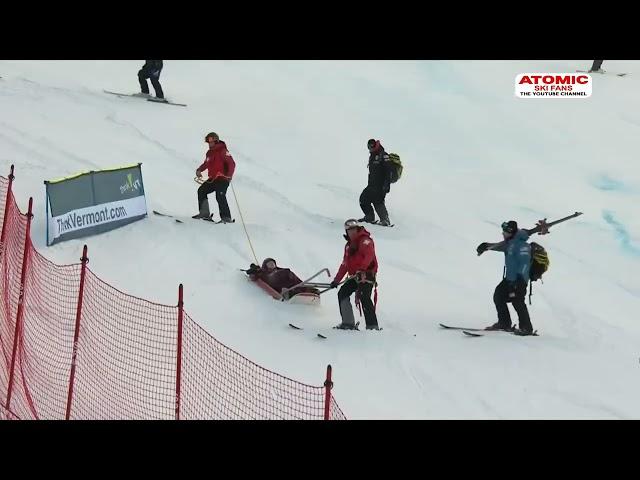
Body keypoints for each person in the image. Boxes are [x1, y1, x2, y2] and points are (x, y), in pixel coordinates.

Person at [476, 219, 549, 336]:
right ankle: (504, 323)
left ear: (510, 232)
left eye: (504, 231)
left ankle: (526, 328)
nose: (502, 233)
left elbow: (524, 263)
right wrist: (486, 246)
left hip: (519, 279)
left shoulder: (522, 246)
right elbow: (500, 246)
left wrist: (519, 280)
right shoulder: (510, 243)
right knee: (499, 295)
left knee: (517, 301)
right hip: (509, 279)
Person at [329, 219, 380, 330]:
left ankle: (372, 326)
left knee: (364, 295)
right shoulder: (348, 246)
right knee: (342, 293)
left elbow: (369, 255)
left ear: (357, 229)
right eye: (349, 230)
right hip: (355, 276)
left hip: (366, 274)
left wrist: (362, 269)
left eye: (353, 229)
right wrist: (336, 280)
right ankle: (348, 323)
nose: (352, 232)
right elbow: (345, 264)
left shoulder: (365, 241)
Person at [194, 132, 236, 222]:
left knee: (220, 195)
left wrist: (229, 175)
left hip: (223, 179)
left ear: (216, 141)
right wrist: (199, 170)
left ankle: (226, 218)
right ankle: (204, 214)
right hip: (213, 179)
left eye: (211, 141)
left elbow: (231, 163)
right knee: (201, 190)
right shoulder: (209, 153)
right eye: (208, 142)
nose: (209, 143)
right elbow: (206, 163)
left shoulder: (222, 150)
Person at [358, 139, 392, 226]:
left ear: (376, 145)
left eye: (372, 146)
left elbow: (388, 171)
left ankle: (385, 220)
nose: (370, 148)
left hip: (381, 185)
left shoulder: (383, 155)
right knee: (363, 199)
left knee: (378, 201)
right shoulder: (373, 155)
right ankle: (369, 216)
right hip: (372, 184)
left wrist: (386, 184)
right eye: (368, 147)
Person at [246, 258, 319, 296]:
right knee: (286, 272)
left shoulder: (278, 270)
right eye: (269, 264)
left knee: (290, 275)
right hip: (272, 281)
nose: (272, 266)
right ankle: (292, 292)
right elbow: (254, 277)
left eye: (273, 264)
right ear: (265, 266)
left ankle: (305, 288)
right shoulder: (263, 272)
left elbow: (286, 273)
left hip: (283, 283)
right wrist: (254, 271)